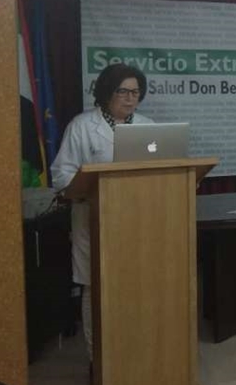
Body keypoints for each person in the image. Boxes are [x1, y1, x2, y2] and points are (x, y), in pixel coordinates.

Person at [51, 63, 153, 360]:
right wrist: (88, 186)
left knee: (136, 286)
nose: (130, 98)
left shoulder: (148, 127)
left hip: (139, 222)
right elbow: (61, 174)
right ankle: (99, 359)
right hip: (94, 220)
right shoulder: (82, 126)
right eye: (123, 91)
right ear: (107, 92)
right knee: (95, 288)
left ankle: (135, 352)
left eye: (136, 92)